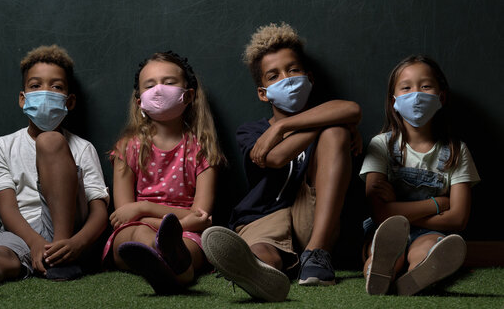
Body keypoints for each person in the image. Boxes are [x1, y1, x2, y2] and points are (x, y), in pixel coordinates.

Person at [202, 23, 362, 302]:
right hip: (263, 216)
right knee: (263, 250)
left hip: (313, 218)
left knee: (334, 133)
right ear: (263, 93)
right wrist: (330, 119)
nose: (286, 78)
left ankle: (318, 254)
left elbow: (353, 109)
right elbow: (274, 158)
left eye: (293, 70)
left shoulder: (328, 126)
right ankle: (258, 270)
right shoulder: (250, 131)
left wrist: (281, 129)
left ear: (309, 77)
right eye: (274, 76)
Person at [0, 45, 109, 296]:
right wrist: (33, 242)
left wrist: (76, 243)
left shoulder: (83, 148)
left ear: (69, 100)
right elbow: (7, 208)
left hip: (69, 231)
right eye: (35, 86)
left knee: (50, 140)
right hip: (21, 230)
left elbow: (99, 208)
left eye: (56, 87)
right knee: (1, 255)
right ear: (23, 98)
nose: (45, 93)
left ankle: (60, 261)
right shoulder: (2, 146)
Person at [102, 51, 223, 294]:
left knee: (190, 246)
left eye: (168, 82)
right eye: (150, 85)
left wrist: (144, 208)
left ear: (188, 95)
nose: (159, 90)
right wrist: (179, 220)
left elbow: (201, 215)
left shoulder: (202, 150)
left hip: (186, 232)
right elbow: (124, 216)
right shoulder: (128, 147)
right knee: (137, 234)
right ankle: (161, 259)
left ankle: (174, 263)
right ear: (140, 101)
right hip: (144, 228)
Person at [360, 55, 480, 296]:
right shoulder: (381, 146)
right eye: (406, 87)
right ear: (394, 100)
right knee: (385, 248)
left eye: (425, 86)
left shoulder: (456, 151)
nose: (416, 94)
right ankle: (379, 272)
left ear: (441, 97)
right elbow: (379, 212)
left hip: (430, 232)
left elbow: (458, 219)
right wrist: (438, 204)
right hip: (385, 231)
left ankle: (418, 274)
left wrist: (398, 209)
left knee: (426, 248)